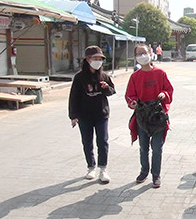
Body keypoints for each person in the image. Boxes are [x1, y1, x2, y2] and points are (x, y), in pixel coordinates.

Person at [125, 44, 174, 188]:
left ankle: (156, 174)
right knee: (143, 147)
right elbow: (129, 95)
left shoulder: (160, 73)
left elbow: (169, 90)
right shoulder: (135, 76)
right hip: (142, 116)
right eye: (139, 54)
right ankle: (144, 171)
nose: (142, 56)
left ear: (150, 53)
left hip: (158, 116)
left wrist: (163, 94)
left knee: (157, 147)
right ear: (135, 57)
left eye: (144, 52)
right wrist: (133, 103)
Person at [69, 45, 116, 183]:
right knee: (87, 142)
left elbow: (112, 91)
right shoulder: (79, 78)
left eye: (100, 58)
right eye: (95, 58)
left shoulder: (104, 76)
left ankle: (103, 169)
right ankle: (91, 167)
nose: (98, 61)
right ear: (88, 59)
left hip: (101, 114)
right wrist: (73, 115)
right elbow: (73, 97)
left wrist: (106, 88)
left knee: (103, 141)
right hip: (84, 116)